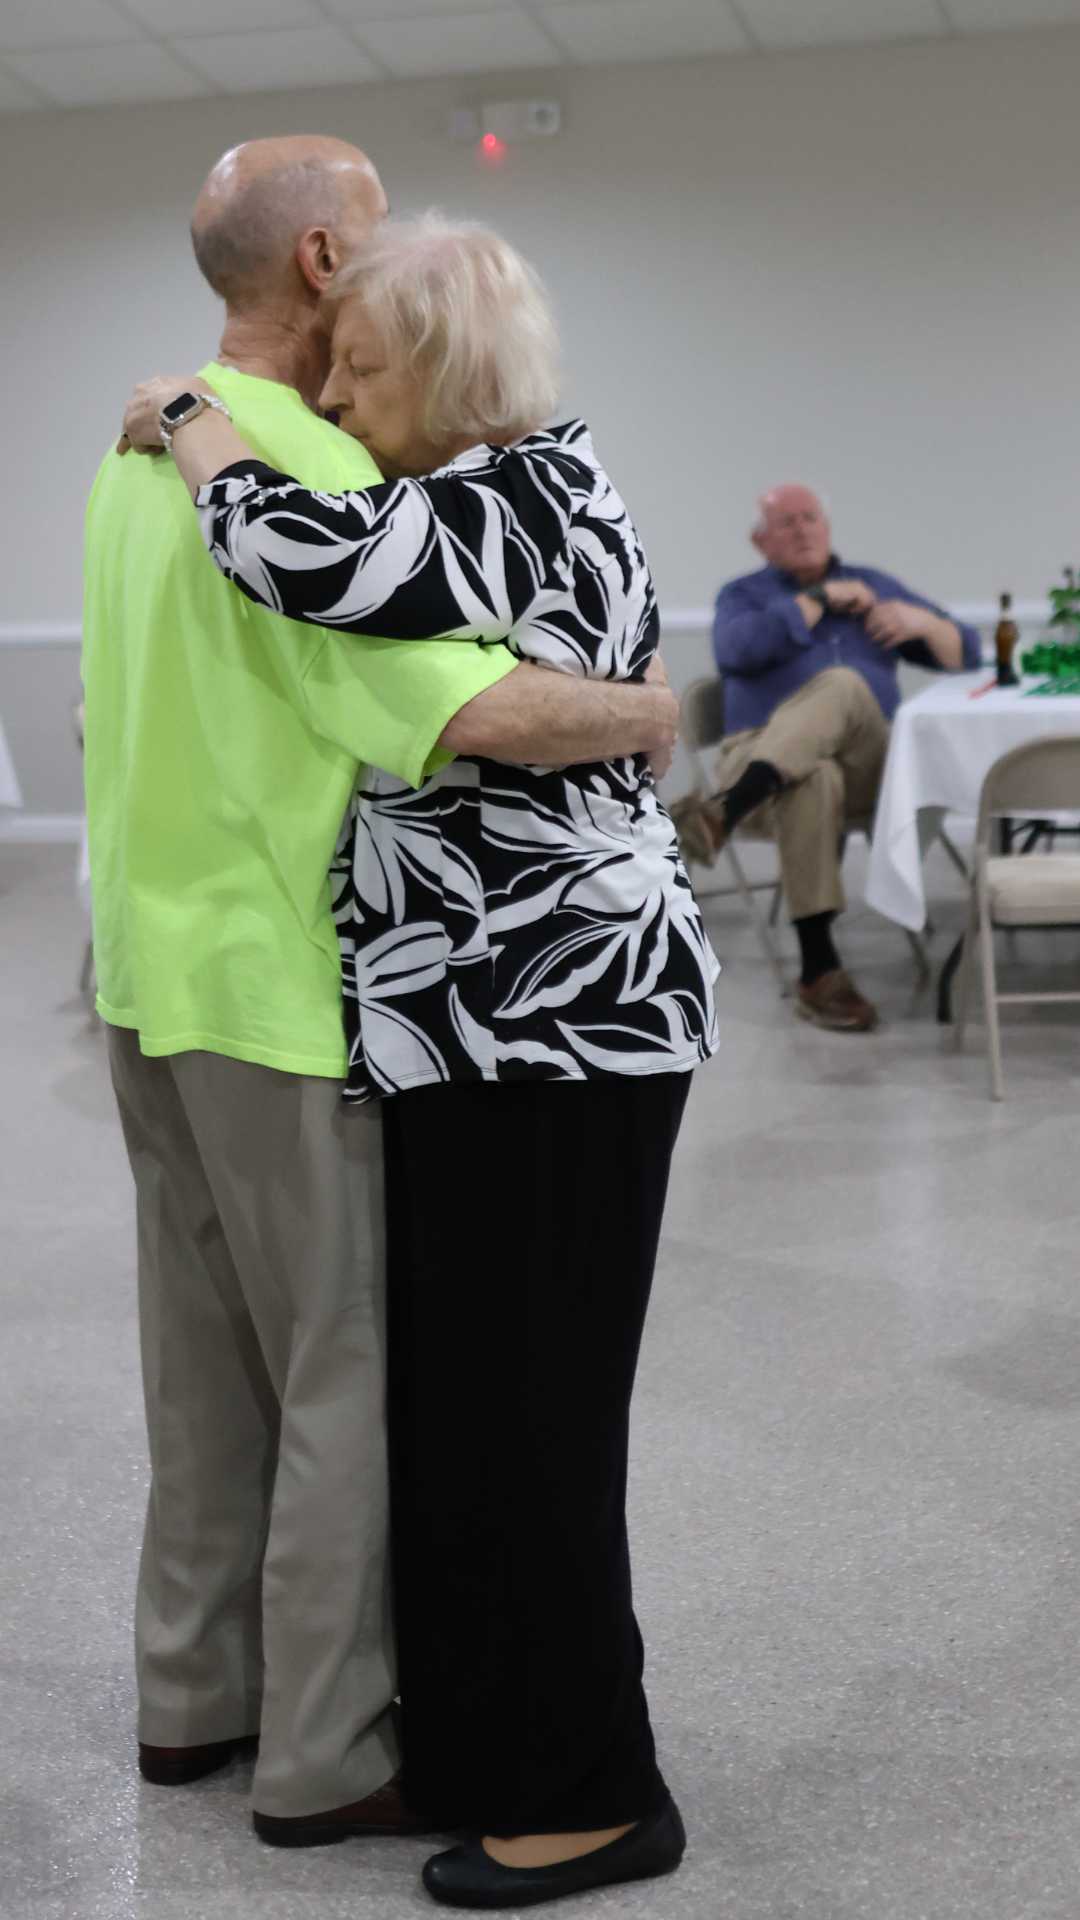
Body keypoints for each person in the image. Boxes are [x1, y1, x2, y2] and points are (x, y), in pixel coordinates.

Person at [119, 210, 719, 1910]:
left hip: (569, 1027)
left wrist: (189, 411)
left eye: (365, 373)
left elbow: (291, 553)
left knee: (535, 1422)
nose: (338, 400)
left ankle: (598, 1794)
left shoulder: (521, 493)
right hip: (470, 1027)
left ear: (450, 376)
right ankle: (484, 1738)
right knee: (465, 1414)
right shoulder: (470, 500)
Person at [678, 484, 981, 1032]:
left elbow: (969, 655)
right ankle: (819, 971)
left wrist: (924, 624)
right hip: (757, 750)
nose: (801, 529)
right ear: (760, 540)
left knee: (843, 685)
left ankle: (721, 811)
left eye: (810, 518)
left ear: (827, 526)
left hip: (869, 767)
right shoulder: (743, 595)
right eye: (786, 522)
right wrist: (818, 600)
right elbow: (735, 651)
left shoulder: (874, 586)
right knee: (812, 776)